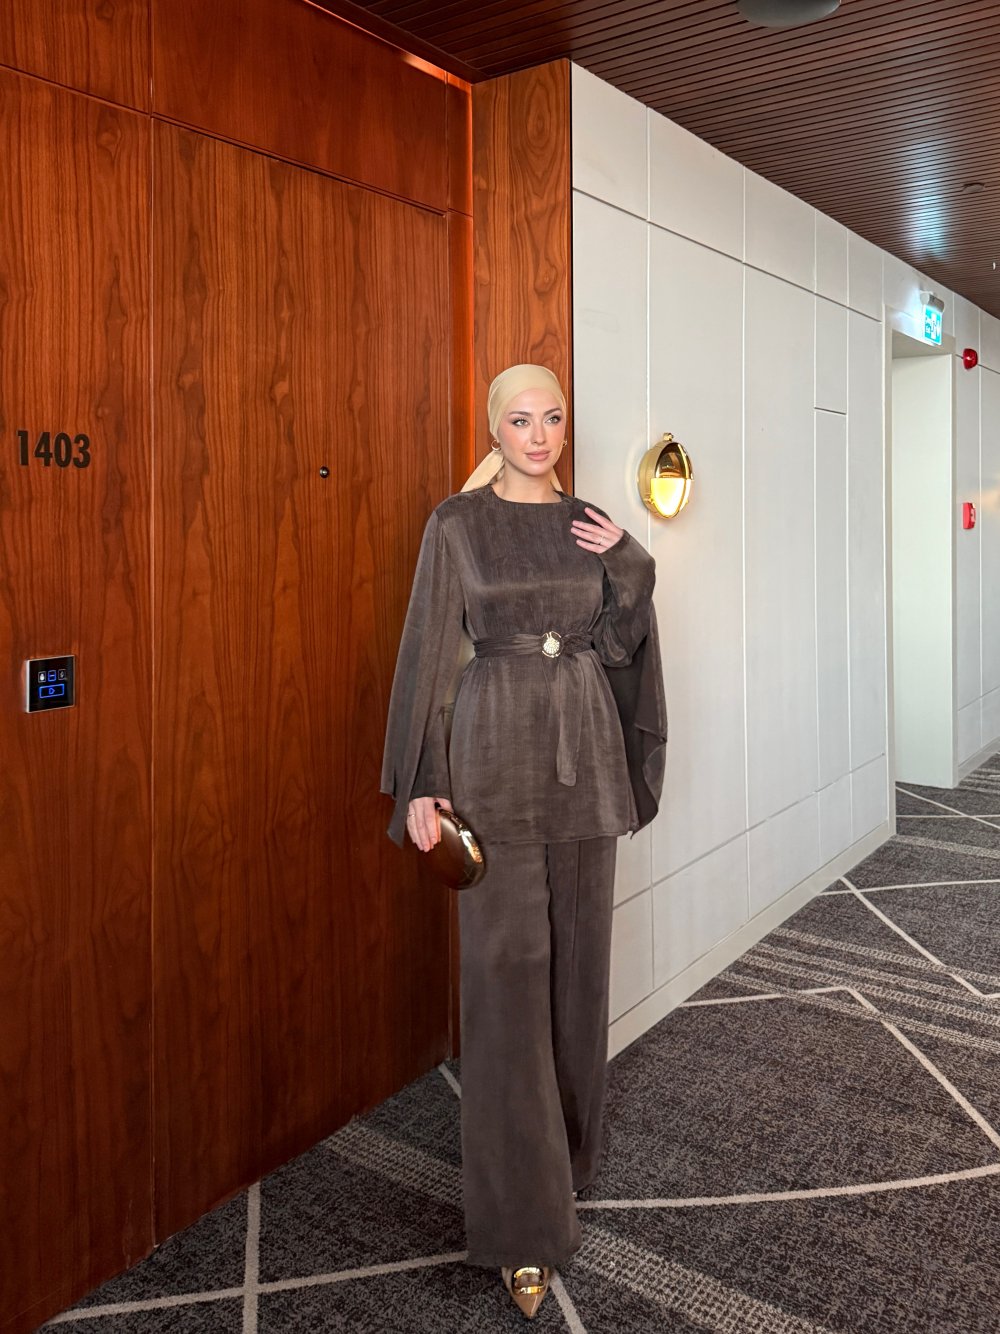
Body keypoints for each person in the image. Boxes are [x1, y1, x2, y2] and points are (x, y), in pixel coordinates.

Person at [380, 363, 667, 1318]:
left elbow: (620, 643)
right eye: (520, 419)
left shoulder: (589, 521)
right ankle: (522, 1228)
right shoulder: (457, 525)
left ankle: (568, 1164)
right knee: (505, 985)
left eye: (552, 418)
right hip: (493, 760)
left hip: (584, 757)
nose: (539, 435)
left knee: (578, 976)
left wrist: (629, 560)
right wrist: (423, 780)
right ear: (494, 428)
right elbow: (428, 648)